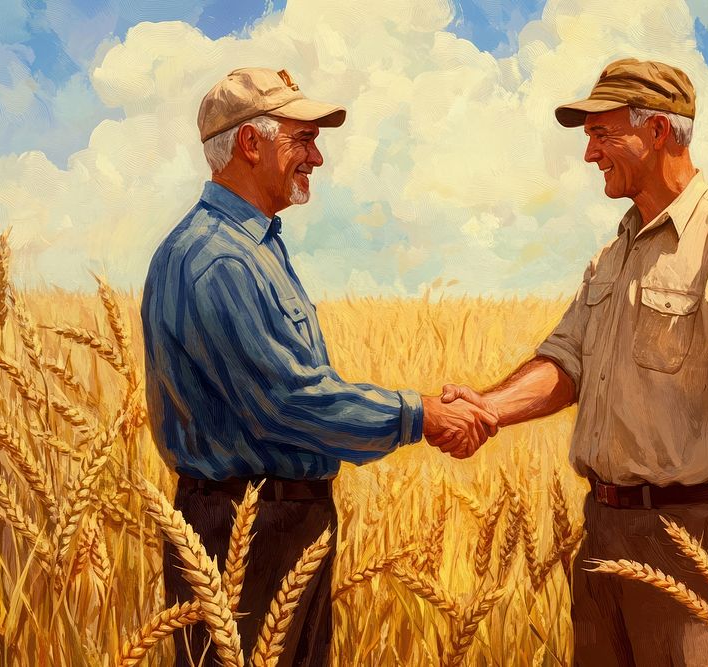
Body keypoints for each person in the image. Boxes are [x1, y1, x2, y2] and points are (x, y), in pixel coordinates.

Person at [440, 57, 708, 666]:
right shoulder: (615, 252)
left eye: (601, 133)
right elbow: (566, 363)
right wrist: (486, 408)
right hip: (603, 535)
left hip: (690, 540)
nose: (589, 154)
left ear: (656, 132)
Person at [140, 67, 496, 667]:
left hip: (280, 524)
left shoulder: (252, 245)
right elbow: (288, 401)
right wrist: (421, 415)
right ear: (251, 144)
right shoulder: (216, 259)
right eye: (302, 139)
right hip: (241, 535)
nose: (317, 158)